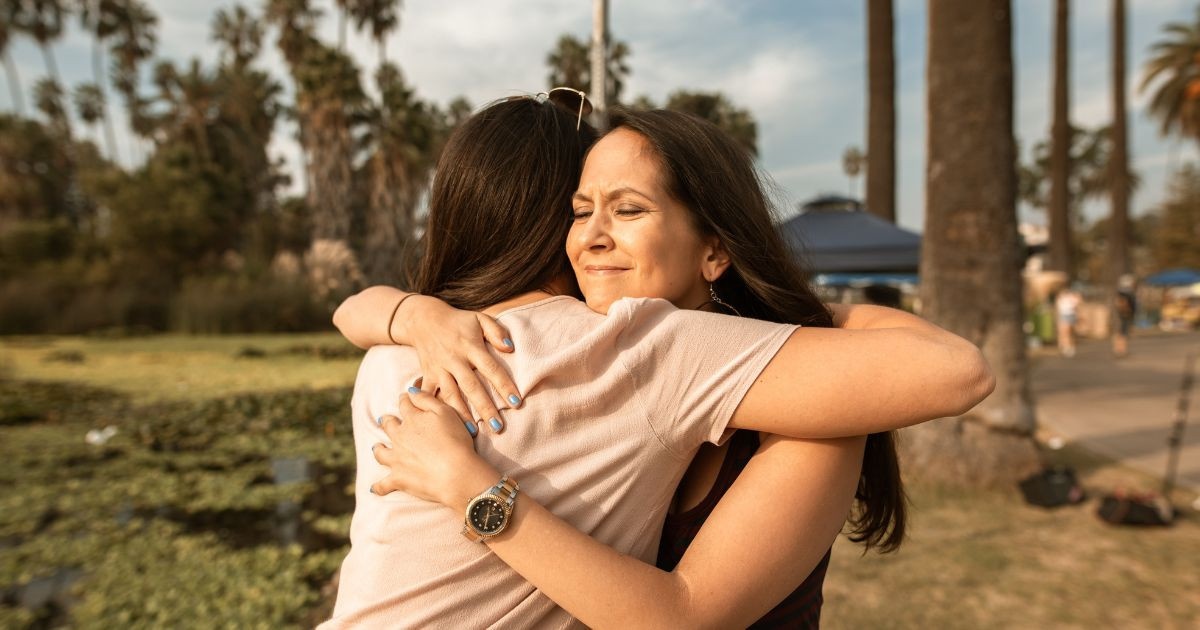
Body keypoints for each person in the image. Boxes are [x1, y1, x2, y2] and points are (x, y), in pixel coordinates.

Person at [323, 102, 994, 629]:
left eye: (630, 209)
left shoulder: (687, 364)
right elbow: (355, 311)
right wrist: (417, 316)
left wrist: (472, 489)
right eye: (580, 211)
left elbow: (957, 370)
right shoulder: (607, 351)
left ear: (713, 250)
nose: (591, 235)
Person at [1112, 275, 1137, 358]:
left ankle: (1119, 349)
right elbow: (1122, 303)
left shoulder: (1122, 292)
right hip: (1125, 314)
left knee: (1122, 332)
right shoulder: (1125, 293)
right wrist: (1126, 311)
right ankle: (1121, 350)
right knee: (1123, 333)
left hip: (1124, 314)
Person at [1054, 287, 1081, 357]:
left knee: (1069, 332)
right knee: (1064, 332)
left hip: (1070, 315)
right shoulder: (1060, 299)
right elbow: (1058, 309)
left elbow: (1077, 305)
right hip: (1064, 315)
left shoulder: (1071, 297)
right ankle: (1066, 346)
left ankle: (1069, 347)